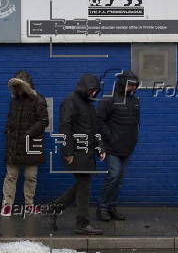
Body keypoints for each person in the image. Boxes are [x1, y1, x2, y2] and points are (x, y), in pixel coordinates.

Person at [47, 73, 106, 235]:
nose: (93, 94)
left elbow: (94, 130)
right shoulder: (70, 101)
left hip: (87, 153)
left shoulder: (89, 105)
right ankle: (82, 223)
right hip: (75, 152)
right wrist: (68, 152)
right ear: (84, 87)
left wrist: (100, 148)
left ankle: (54, 208)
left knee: (82, 185)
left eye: (96, 91)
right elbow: (65, 127)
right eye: (91, 90)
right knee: (84, 186)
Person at [0, 71, 49, 216]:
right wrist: (8, 129)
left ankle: (29, 205)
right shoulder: (14, 100)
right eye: (15, 86)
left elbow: (44, 121)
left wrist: (28, 134)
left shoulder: (38, 99)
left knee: (30, 177)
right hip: (14, 144)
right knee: (11, 176)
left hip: (31, 143)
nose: (17, 89)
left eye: (19, 86)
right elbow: (10, 118)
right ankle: (7, 205)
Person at [96, 71, 140, 221]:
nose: (133, 88)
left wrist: (134, 138)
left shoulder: (135, 101)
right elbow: (99, 121)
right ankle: (102, 208)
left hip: (127, 147)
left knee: (120, 180)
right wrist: (109, 137)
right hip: (112, 147)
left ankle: (112, 207)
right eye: (130, 85)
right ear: (123, 84)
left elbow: (136, 122)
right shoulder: (109, 100)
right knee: (113, 176)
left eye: (135, 85)